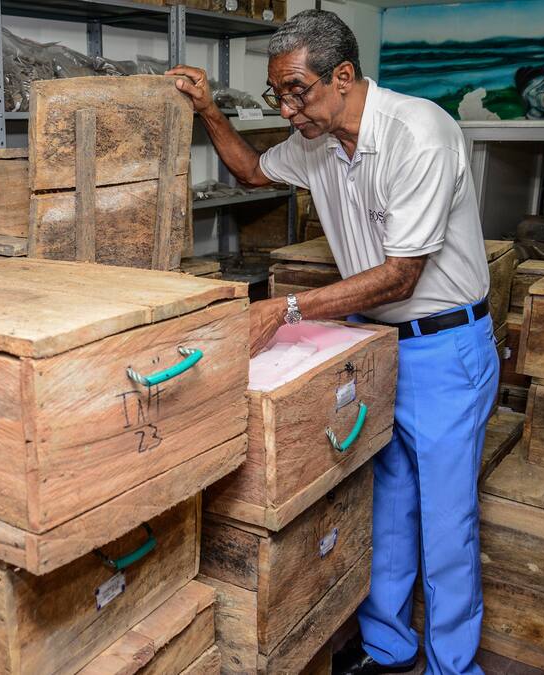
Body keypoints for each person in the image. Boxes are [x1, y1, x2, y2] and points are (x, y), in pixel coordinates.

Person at [168, 10, 498, 675]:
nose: (288, 110)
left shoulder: (419, 134)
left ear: (343, 76)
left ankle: (454, 666)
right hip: (377, 343)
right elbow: (252, 172)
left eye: (298, 91)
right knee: (389, 504)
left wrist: (285, 308)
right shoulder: (318, 140)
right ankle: (388, 647)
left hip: (444, 348)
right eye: (277, 95)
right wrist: (207, 110)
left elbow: (402, 274)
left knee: (447, 523)